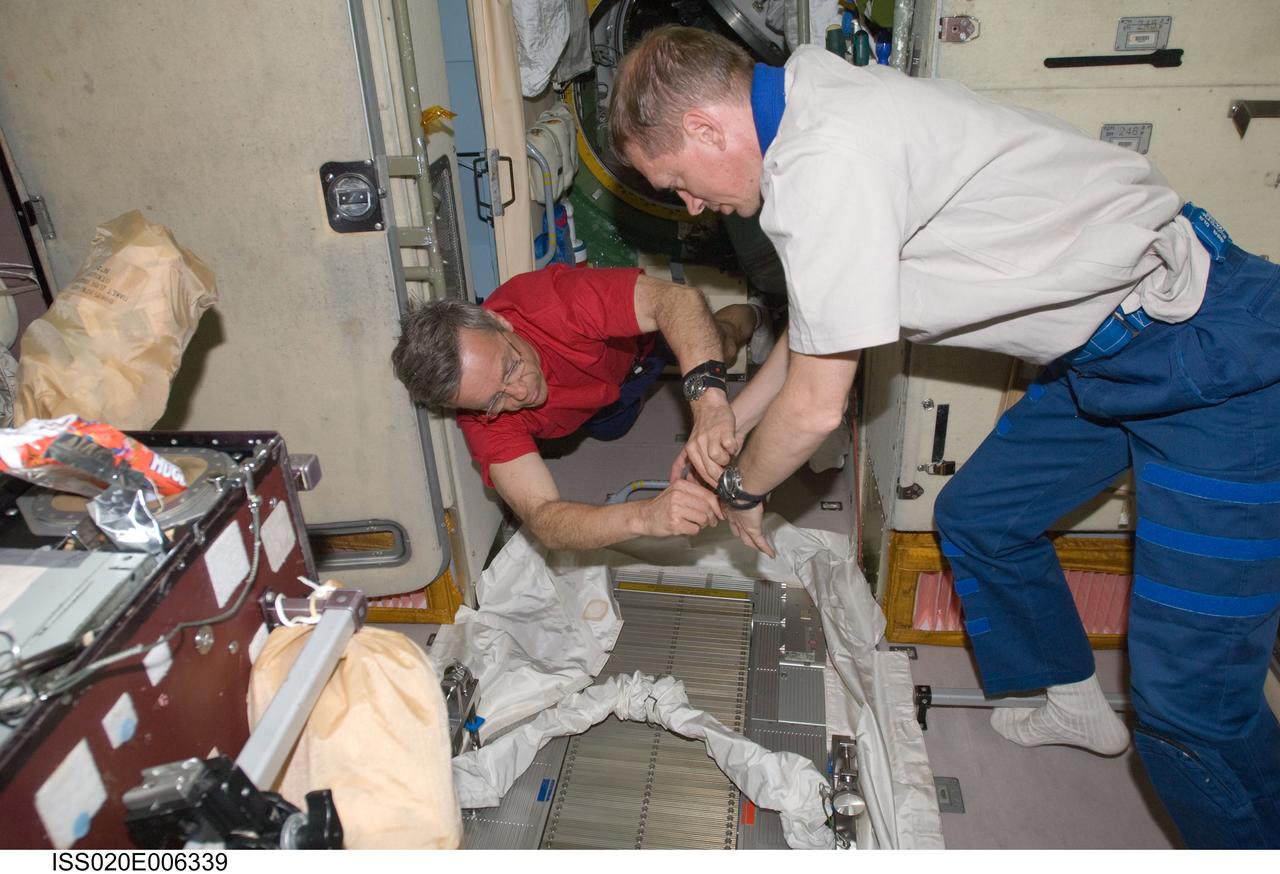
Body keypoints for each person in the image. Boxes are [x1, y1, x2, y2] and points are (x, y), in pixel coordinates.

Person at [608, 25, 1280, 848]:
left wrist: (742, 486)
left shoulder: (826, 162)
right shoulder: (809, 104)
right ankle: (1074, 700)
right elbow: (822, 324)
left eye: (677, 181)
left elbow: (817, 406)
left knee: (1191, 708)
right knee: (981, 517)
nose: (689, 205)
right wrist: (734, 419)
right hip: (1105, 356)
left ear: (706, 128)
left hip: (1212, 356)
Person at [391, 263, 764, 551]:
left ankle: (759, 311)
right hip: (601, 405)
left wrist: (709, 404)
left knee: (722, 345)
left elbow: (677, 300)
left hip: (638, 344)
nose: (520, 393)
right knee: (613, 428)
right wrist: (645, 517)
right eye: (494, 401)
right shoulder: (481, 420)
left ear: (497, 321)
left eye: (511, 365)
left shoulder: (551, 303)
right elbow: (544, 518)